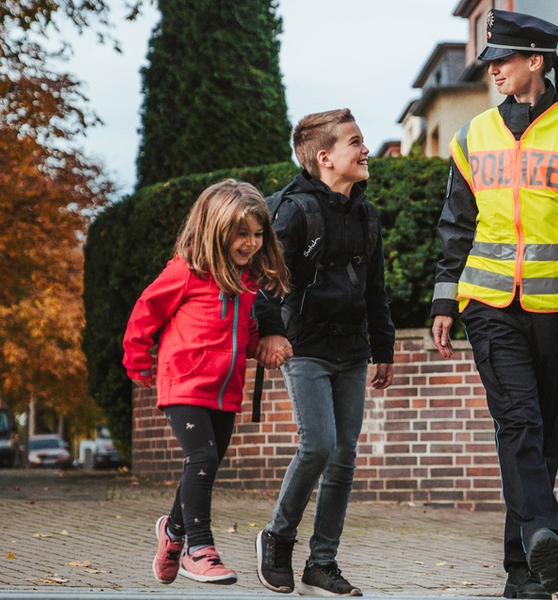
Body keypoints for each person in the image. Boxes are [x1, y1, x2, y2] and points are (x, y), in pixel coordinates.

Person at [430, 9, 558, 600]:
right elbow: (455, 227)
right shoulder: (473, 136)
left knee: (544, 436)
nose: (492, 70)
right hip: (489, 303)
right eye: (491, 61)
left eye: (503, 60)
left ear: (535, 63)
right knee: (517, 421)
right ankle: (546, 531)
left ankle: (524, 575)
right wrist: (446, 302)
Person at [253, 108, 396, 597]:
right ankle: (277, 537)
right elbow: (265, 281)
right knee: (318, 444)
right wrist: (270, 333)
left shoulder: (365, 212)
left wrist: (384, 348)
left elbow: (375, 288)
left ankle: (322, 563)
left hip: (352, 349)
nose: (365, 149)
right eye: (355, 142)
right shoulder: (294, 211)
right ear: (325, 157)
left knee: (344, 456)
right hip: (306, 345)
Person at [122, 179, 289, 586]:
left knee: (206, 465)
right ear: (215, 229)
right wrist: (137, 359)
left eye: (256, 234)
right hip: (184, 382)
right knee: (202, 460)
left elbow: (241, 333)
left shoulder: (247, 283)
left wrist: (262, 347)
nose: (250, 243)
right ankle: (199, 548)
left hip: (225, 389)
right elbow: (146, 310)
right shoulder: (187, 270)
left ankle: (172, 531)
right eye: (240, 234)